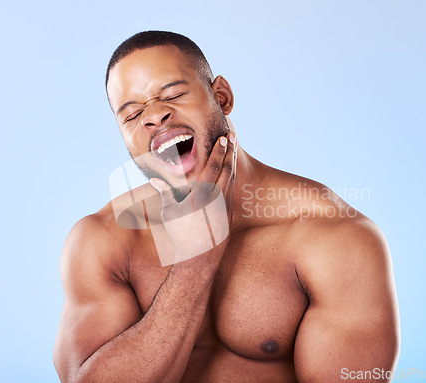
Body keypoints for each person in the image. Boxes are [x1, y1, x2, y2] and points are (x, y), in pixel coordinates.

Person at [53, 31, 400, 383]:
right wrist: (193, 265)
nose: (155, 117)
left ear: (222, 96)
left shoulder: (334, 238)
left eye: (172, 94)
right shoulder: (102, 240)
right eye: (132, 114)